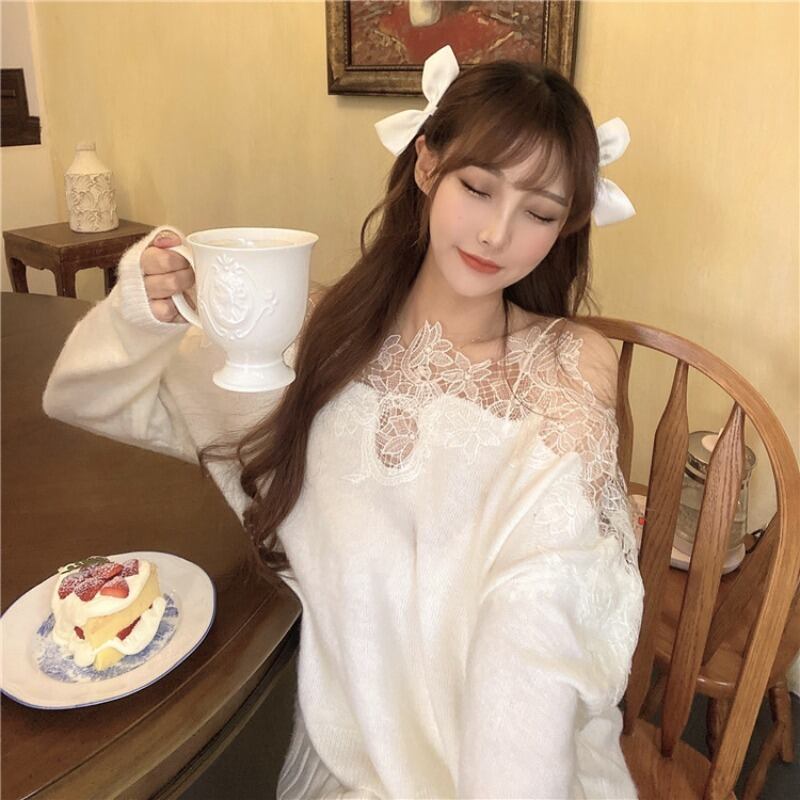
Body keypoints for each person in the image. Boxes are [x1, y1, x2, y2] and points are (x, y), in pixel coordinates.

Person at [44, 45, 643, 799]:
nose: (498, 233)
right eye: (478, 187)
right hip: (331, 740)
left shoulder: (567, 365)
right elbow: (83, 403)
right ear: (426, 164)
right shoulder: (312, 336)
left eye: (539, 212)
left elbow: (539, 614)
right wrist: (146, 308)